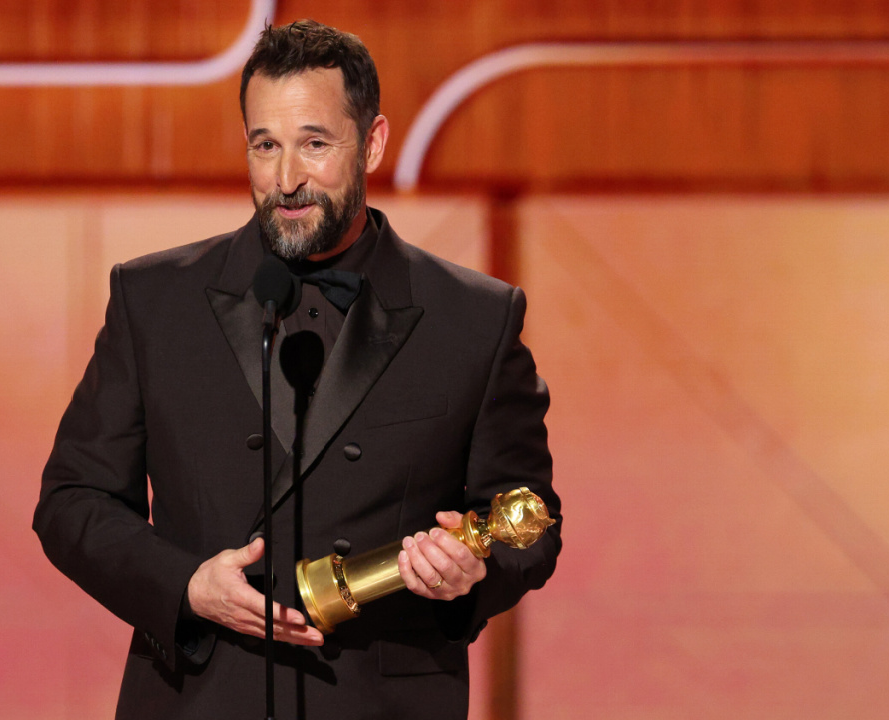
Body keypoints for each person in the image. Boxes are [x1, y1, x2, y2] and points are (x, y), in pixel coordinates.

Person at [34, 19, 561, 720]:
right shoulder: (155, 301)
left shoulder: (473, 319)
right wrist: (186, 585)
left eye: (315, 144)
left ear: (372, 143)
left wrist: (473, 571)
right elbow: (72, 502)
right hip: (200, 698)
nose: (286, 179)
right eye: (265, 146)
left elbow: (532, 520)